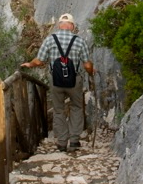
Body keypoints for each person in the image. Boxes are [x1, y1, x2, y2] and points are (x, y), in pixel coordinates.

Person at [21, 13, 95, 152]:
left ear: (59, 25)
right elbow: (86, 65)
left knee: (58, 110)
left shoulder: (50, 39)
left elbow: (40, 60)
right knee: (76, 107)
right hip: (75, 81)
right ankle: (74, 140)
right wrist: (91, 71)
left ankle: (62, 142)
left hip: (56, 81)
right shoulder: (79, 41)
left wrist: (30, 65)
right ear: (72, 26)